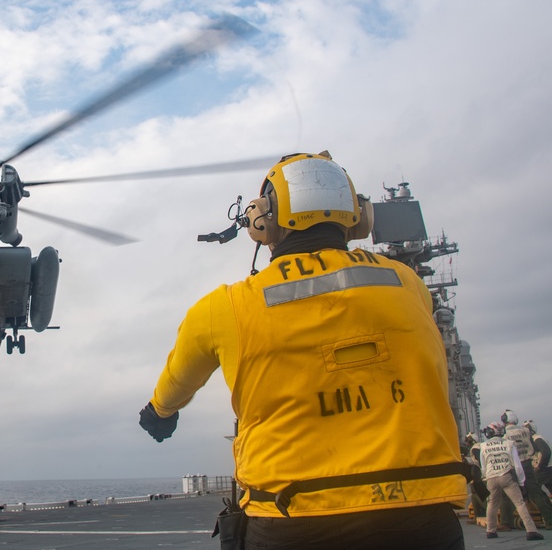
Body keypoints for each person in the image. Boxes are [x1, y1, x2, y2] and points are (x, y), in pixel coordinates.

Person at [139, 152, 471, 550]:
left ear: (261, 219)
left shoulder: (224, 307)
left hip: (292, 516)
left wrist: (160, 412)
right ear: (357, 215)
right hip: (420, 512)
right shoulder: (405, 282)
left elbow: (177, 379)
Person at [480, 422, 544, 540]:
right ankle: (531, 531)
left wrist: (486, 478)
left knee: (492, 504)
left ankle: (490, 531)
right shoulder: (509, 444)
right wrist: (521, 482)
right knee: (519, 503)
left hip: (491, 478)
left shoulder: (483, 446)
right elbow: (517, 466)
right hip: (506, 476)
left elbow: (483, 467)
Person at [504, 410, 552, 528]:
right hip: (527, 464)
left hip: (514, 466)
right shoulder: (525, 431)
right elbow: (534, 448)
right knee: (535, 493)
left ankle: (507, 523)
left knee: (510, 494)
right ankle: (549, 520)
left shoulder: (505, 434)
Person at [525, 420, 552, 494]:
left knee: (533, 487)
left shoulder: (536, 439)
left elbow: (546, 452)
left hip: (545, 469)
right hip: (548, 468)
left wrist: (539, 466)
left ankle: (543, 504)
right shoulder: (538, 438)